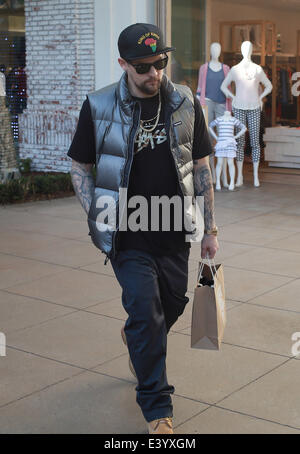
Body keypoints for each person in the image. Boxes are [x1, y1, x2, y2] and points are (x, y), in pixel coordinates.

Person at [67, 23, 219, 434]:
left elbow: (202, 167)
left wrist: (210, 229)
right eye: (143, 67)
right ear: (123, 64)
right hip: (127, 233)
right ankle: (157, 408)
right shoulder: (99, 106)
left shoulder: (185, 102)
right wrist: (97, 214)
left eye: (160, 63)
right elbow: (79, 166)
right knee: (147, 313)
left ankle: (135, 336)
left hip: (173, 228)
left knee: (170, 305)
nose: (154, 73)